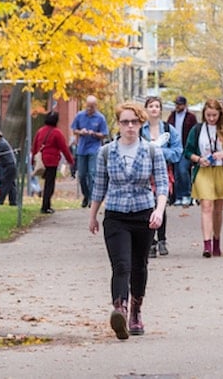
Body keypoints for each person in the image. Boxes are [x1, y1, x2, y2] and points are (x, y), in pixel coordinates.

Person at [88, 101, 169, 339]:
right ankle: (119, 310)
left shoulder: (152, 150)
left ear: (141, 124)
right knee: (121, 264)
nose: (130, 127)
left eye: (134, 122)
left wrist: (159, 210)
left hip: (144, 213)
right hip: (116, 215)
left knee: (139, 265)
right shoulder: (106, 152)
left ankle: (135, 311)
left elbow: (163, 184)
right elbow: (99, 185)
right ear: (119, 124)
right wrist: (93, 215)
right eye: (125, 122)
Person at [185, 98, 223, 257]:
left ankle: (217, 241)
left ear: (220, 114)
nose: (211, 118)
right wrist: (198, 159)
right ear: (204, 114)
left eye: (214, 115)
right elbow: (187, 152)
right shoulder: (197, 130)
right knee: (206, 206)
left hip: (222, 170)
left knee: (217, 209)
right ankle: (207, 245)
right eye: (208, 115)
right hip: (204, 171)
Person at [141, 96, 181, 257]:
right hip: (144, 171)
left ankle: (162, 239)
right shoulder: (140, 129)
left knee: (160, 204)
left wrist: (158, 150)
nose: (154, 109)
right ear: (146, 109)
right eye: (151, 106)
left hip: (163, 171)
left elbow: (177, 152)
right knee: (147, 205)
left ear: (160, 109)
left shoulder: (168, 130)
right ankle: (150, 242)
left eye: (157, 106)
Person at [71, 96, 109, 207]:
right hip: (82, 149)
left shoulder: (100, 118)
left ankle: (93, 199)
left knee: (93, 173)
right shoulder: (79, 115)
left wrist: (94, 134)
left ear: (95, 106)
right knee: (82, 175)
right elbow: (74, 130)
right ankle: (86, 195)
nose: (89, 109)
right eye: (87, 106)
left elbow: (104, 134)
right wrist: (80, 132)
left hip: (94, 148)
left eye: (91, 107)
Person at [33, 111, 74, 214]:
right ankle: (46, 206)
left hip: (42, 160)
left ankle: (45, 204)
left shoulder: (40, 131)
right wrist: (71, 160)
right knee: (49, 184)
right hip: (52, 161)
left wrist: (32, 160)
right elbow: (64, 148)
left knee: (46, 183)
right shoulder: (57, 133)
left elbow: (34, 146)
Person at [166, 95, 198, 206]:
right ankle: (178, 196)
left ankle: (187, 194)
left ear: (184, 105)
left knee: (183, 170)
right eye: (176, 104)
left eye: (179, 104)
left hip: (186, 148)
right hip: (174, 148)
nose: (177, 106)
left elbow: (194, 132)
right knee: (176, 173)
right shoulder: (172, 116)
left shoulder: (190, 117)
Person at [0, 130, 19, 206]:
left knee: (4, 184)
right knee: (11, 185)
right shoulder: (3, 143)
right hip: (11, 165)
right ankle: (13, 202)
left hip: (9, 166)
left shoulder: (2, 144)